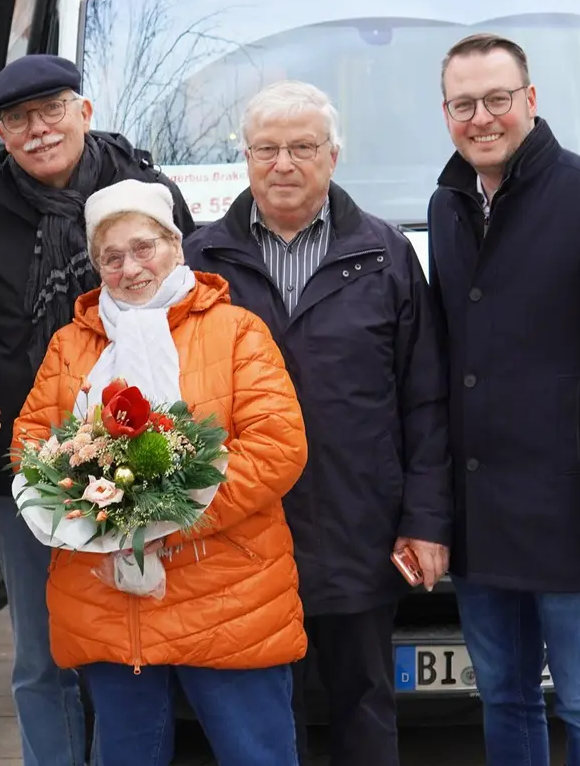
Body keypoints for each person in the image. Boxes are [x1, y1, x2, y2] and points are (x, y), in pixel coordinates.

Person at [0, 54, 195, 766]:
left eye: (52, 109)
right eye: (18, 119)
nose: (38, 129)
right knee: (41, 656)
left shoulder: (142, 191)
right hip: (23, 469)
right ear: (1, 133)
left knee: (123, 647)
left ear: (84, 110)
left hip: (139, 460)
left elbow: (195, 306)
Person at [185, 80, 451, 766]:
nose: (283, 163)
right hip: (242, 531)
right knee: (266, 717)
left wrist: (423, 521)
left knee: (364, 703)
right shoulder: (200, 262)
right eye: (266, 148)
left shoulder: (385, 255)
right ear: (243, 158)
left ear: (333, 155)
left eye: (302, 147)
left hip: (358, 527)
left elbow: (424, 399)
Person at [426, 32, 580, 766]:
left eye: (497, 99)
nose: (482, 118)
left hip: (577, 510)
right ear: (446, 113)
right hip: (481, 511)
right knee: (502, 694)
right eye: (464, 104)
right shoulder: (446, 205)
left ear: (529, 100)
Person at [12, 179, 309, 765]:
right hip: (111, 604)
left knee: (258, 755)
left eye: (144, 247)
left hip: (228, 598)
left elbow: (278, 446)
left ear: (176, 244)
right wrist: (89, 505)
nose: (130, 268)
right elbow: (31, 445)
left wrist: (166, 516)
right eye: (111, 257)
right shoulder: (71, 345)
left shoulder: (236, 332)